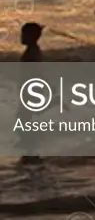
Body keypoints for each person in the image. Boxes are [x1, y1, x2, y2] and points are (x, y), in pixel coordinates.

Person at [19, 22, 44, 165]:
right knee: (25, 119)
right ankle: (29, 150)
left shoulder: (32, 52)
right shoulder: (33, 50)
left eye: (24, 34)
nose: (21, 37)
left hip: (30, 92)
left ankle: (30, 151)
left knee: (24, 119)